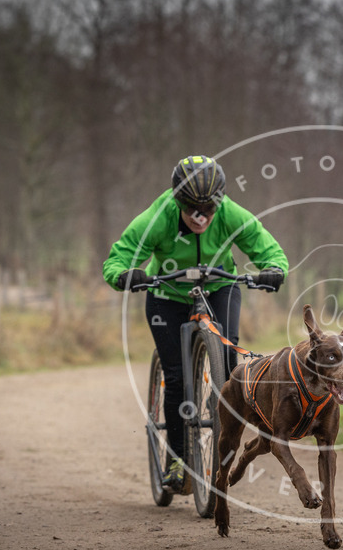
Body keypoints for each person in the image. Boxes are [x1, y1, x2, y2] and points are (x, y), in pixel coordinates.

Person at [103, 155, 288, 490]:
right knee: (174, 377)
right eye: (191, 209)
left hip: (220, 285)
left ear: (220, 203)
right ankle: (175, 460)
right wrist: (123, 274)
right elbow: (121, 254)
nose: (200, 217)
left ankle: (220, 412)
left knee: (231, 370)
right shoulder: (157, 217)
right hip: (167, 292)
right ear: (177, 201)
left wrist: (274, 269)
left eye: (209, 209)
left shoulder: (232, 214)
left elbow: (268, 249)